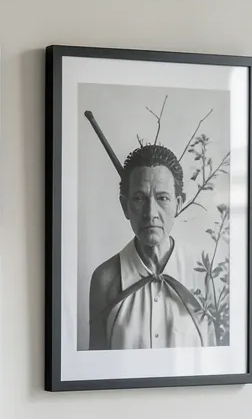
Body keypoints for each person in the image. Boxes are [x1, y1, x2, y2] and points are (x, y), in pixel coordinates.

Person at [88, 144, 212, 350]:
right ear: (125, 206)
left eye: (162, 198)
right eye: (139, 198)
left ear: (179, 204)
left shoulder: (205, 274)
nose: (150, 212)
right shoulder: (105, 280)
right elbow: (96, 369)